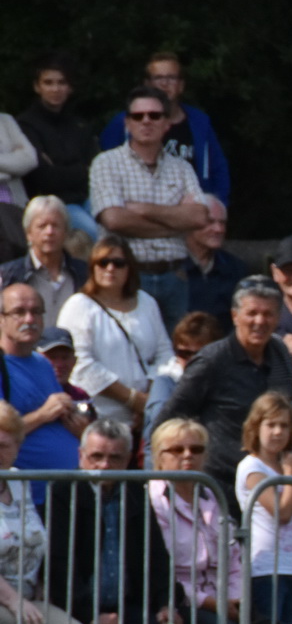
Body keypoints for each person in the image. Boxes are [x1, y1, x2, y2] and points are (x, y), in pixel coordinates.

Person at [44, 419, 185, 624]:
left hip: (130, 601)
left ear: (129, 458)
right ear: (80, 456)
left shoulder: (134, 493)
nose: (105, 466)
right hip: (81, 605)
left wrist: (166, 603)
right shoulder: (64, 492)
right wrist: (91, 613)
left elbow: (156, 555)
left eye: (115, 458)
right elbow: (60, 565)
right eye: (96, 457)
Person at [146, 417, 282, 624]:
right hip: (178, 601)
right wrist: (216, 604)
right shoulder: (153, 501)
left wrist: (235, 600)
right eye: (176, 449)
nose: (187, 456)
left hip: (222, 598)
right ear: (158, 456)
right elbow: (160, 569)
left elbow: (233, 558)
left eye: (196, 449)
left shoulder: (211, 496)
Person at [157, 276, 292, 501]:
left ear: (278, 318)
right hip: (219, 488)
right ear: (235, 316)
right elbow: (167, 419)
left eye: (268, 314)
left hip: (269, 484)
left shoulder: (280, 355)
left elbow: (290, 409)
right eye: (252, 313)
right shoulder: (211, 361)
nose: (259, 321)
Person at [0, 401, 89, 624]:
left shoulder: (21, 482)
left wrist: (42, 587)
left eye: (5, 445)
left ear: (18, 446)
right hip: (6, 598)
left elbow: (36, 540)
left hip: (25, 594)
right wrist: (14, 601)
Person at [86, 87, 211, 326]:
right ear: (127, 123)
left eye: (154, 115)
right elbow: (114, 220)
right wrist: (175, 222)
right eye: (138, 116)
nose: (146, 121)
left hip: (175, 276)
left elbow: (198, 218)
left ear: (166, 123)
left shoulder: (182, 168)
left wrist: (142, 209)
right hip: (128, 275)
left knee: (176, 353)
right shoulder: (106, 163)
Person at [58, 236, 175, 429]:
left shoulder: (147, 303)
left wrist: (151, 398)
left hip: (144, 418)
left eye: (118, 263)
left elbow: (165, 354)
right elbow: (81, 364)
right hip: (98, 417)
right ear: (93, 267)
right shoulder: (79, 306)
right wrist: (133, 400)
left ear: (129, 268)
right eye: (103, 262)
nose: (110, 268)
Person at [96, 51, 230, 203]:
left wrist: (219, 206)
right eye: (158, 78)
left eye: (171, 78)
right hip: (138, 203)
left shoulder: (200, 123)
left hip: (192, 205)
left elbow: (218, 169)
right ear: (147, 84)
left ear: (181, 85)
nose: (165, 84)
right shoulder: (127, 121)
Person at [237, 392, 292, 624]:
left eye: (284, 425)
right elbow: (282, 513)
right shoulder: (251, 467)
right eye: (271, 424)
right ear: (256, 427)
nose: (278, 432)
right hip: (266, 566)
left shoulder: (287, 466)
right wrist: (291, 477)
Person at [0, 283, 85, 485]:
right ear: (1, 319)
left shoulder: (43, 363)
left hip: (63, 495)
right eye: (19, 312)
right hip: (23, 498)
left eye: (36, 312)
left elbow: (57, 416)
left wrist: (77, 425)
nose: (29, 319)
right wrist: (43, 414)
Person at [15, 54, 101, 240]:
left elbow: (97, 169)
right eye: (48, 82)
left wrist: (61, 169)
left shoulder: (80, 125)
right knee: (97, 235)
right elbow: (43, 177)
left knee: (114, 227)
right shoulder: (25, 125)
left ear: (70, 87)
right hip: (52, 203)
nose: (55, 89)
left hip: (87, 197)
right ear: (37, 87)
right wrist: (81, 169)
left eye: (61, 83)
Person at [0, 195, 85, 325]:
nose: (49, 232)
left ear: (66, 232)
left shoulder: (84, 273)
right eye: (42, 226)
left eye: (56, 226)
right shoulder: (8, 275)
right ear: (28, 233)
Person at [178, 198, 248, 329]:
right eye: (209, 222)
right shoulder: (170, 267)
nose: (218, 229)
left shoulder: (236, 268)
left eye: (222, 223)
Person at [164, 313, 221, 384]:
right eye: (184, 353)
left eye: (199, 354)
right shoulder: (167, 379)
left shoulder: (229, 377)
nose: (191, 360)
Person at [0, 109, 36, 209]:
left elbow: (30, 159)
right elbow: (20, 163)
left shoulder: (5, 121)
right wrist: (12, 168)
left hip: (16, 206)